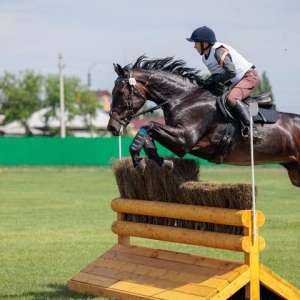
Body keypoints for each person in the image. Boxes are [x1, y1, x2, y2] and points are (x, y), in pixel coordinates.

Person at [186, 26, 262, 142]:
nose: (194, 46)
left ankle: (252, 128)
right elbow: (218, 74)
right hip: (235, 83)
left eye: (196, 42)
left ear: (205, 43)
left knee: (232, 98)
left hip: (248, 77)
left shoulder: (218, 51)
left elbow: (231, 72)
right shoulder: (205, 57)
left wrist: (214, 80)